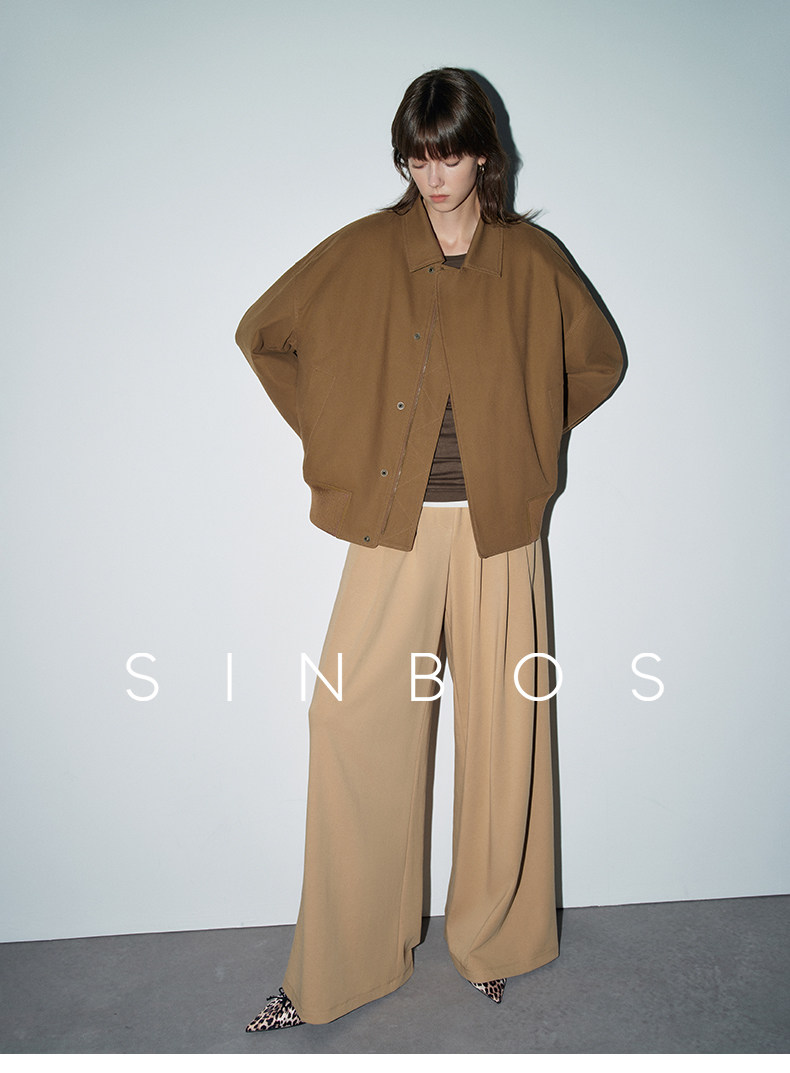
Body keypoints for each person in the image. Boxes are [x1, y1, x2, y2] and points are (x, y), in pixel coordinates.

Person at [235, 67, 622, 1031]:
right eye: (416, 157)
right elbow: (263, 334)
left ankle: (494, 940)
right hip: (394, 523)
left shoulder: (531, 259)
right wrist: (341, 432)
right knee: (350, 721)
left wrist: (525, 438)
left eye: (448, 155)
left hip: (499, 528)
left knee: (504, 730)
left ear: (483, 153)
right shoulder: (364, 251)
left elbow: (598, 361)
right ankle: (344, 963)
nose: (432, 175)